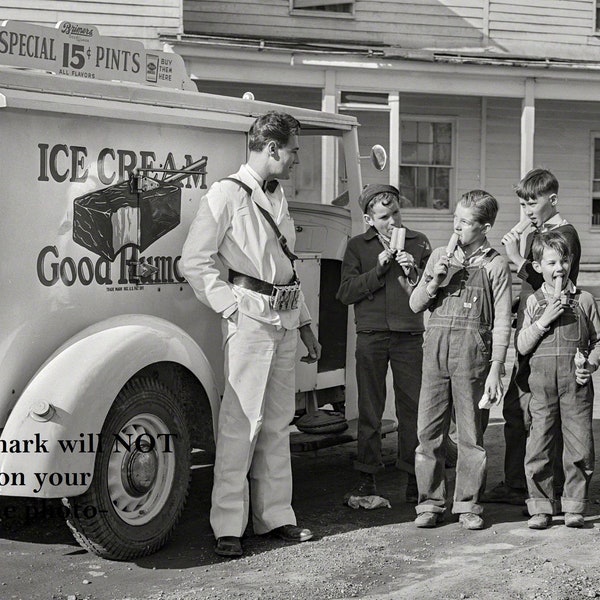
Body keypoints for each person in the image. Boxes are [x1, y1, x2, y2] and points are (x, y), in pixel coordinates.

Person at [180, 111, 321, 558]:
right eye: (294, 149)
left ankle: (276, 515)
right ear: (273, 148)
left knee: (278, 423)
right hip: (249, 319)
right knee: (242, 423)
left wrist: (305, 323)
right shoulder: (226, 194)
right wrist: (230, 306)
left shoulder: (278, 197)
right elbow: (195, 261)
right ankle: (227, 525)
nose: (297, 158)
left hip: (282, 319)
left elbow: (287, 270)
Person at [410, 190, 512, 530]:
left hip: (473, 357)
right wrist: (435, 281)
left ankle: (468, 504)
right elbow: (414, 305)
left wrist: (497, 367)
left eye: (465, 223)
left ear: (484, 227)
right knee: (429, 433)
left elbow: (501, 321)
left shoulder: (495, 264)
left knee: (471, 436)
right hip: (435, 354)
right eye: (455, 219)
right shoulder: (440, 255)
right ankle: (429, 502)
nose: (457, 227)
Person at [485, 168, 581, 505]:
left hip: (550, 338)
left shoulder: (564, 235)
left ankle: (541, 488)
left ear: (551, 200)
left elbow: (556, 288)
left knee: (542, 413)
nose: (526, 211)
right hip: (529, 332)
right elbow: (531, 290)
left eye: (532, 203)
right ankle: (519, 483)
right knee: (517, 409)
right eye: (523, 204)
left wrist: (515, 260)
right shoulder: (535, 235)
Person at [336, 184, 431, 503]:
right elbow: (345, 293)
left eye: (396, 214)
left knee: (412, 409)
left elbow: (433, 291)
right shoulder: (356, 247)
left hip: (408, 336)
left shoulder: (418, 242)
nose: (393, 222)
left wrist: (413, 271)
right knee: (370, 408)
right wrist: (378, 270)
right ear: (368, 218)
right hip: (372, 335)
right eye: (384, 217)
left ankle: (414, 478)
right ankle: (367, 478)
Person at [516, 231, 599, 529]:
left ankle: (575, 506)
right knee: (538, 445)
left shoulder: (585, 300)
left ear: (571, 261)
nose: (559, 268)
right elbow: (522, 345)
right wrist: (544, 320)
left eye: (564, 260)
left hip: (575, 387)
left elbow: (598, 341)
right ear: (538, 267)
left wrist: (589, 364)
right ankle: (540, 507)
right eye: (551, 262)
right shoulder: (534, 303)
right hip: (541, 389)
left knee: (579, 445)